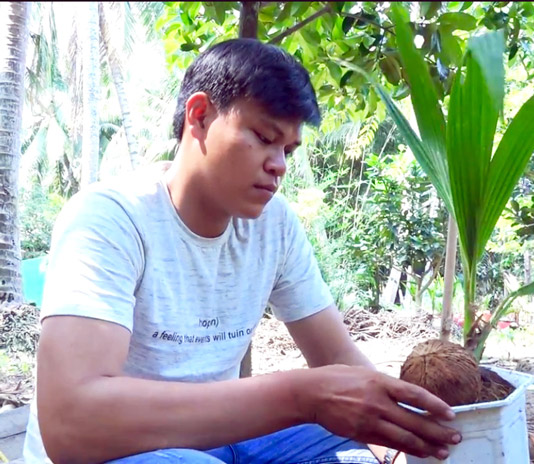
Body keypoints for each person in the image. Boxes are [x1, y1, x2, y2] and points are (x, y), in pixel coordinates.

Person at [23, 38, 461, 464]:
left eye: (287, 149)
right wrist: (302, 396)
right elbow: (71, 424)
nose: (280, 166)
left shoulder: (275, 225)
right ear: (198, 116)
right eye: (264, 137)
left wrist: (401, 438)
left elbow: (338, 360)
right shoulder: (111, 219)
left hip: (227, 443)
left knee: (352, 439)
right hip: (122, 453)